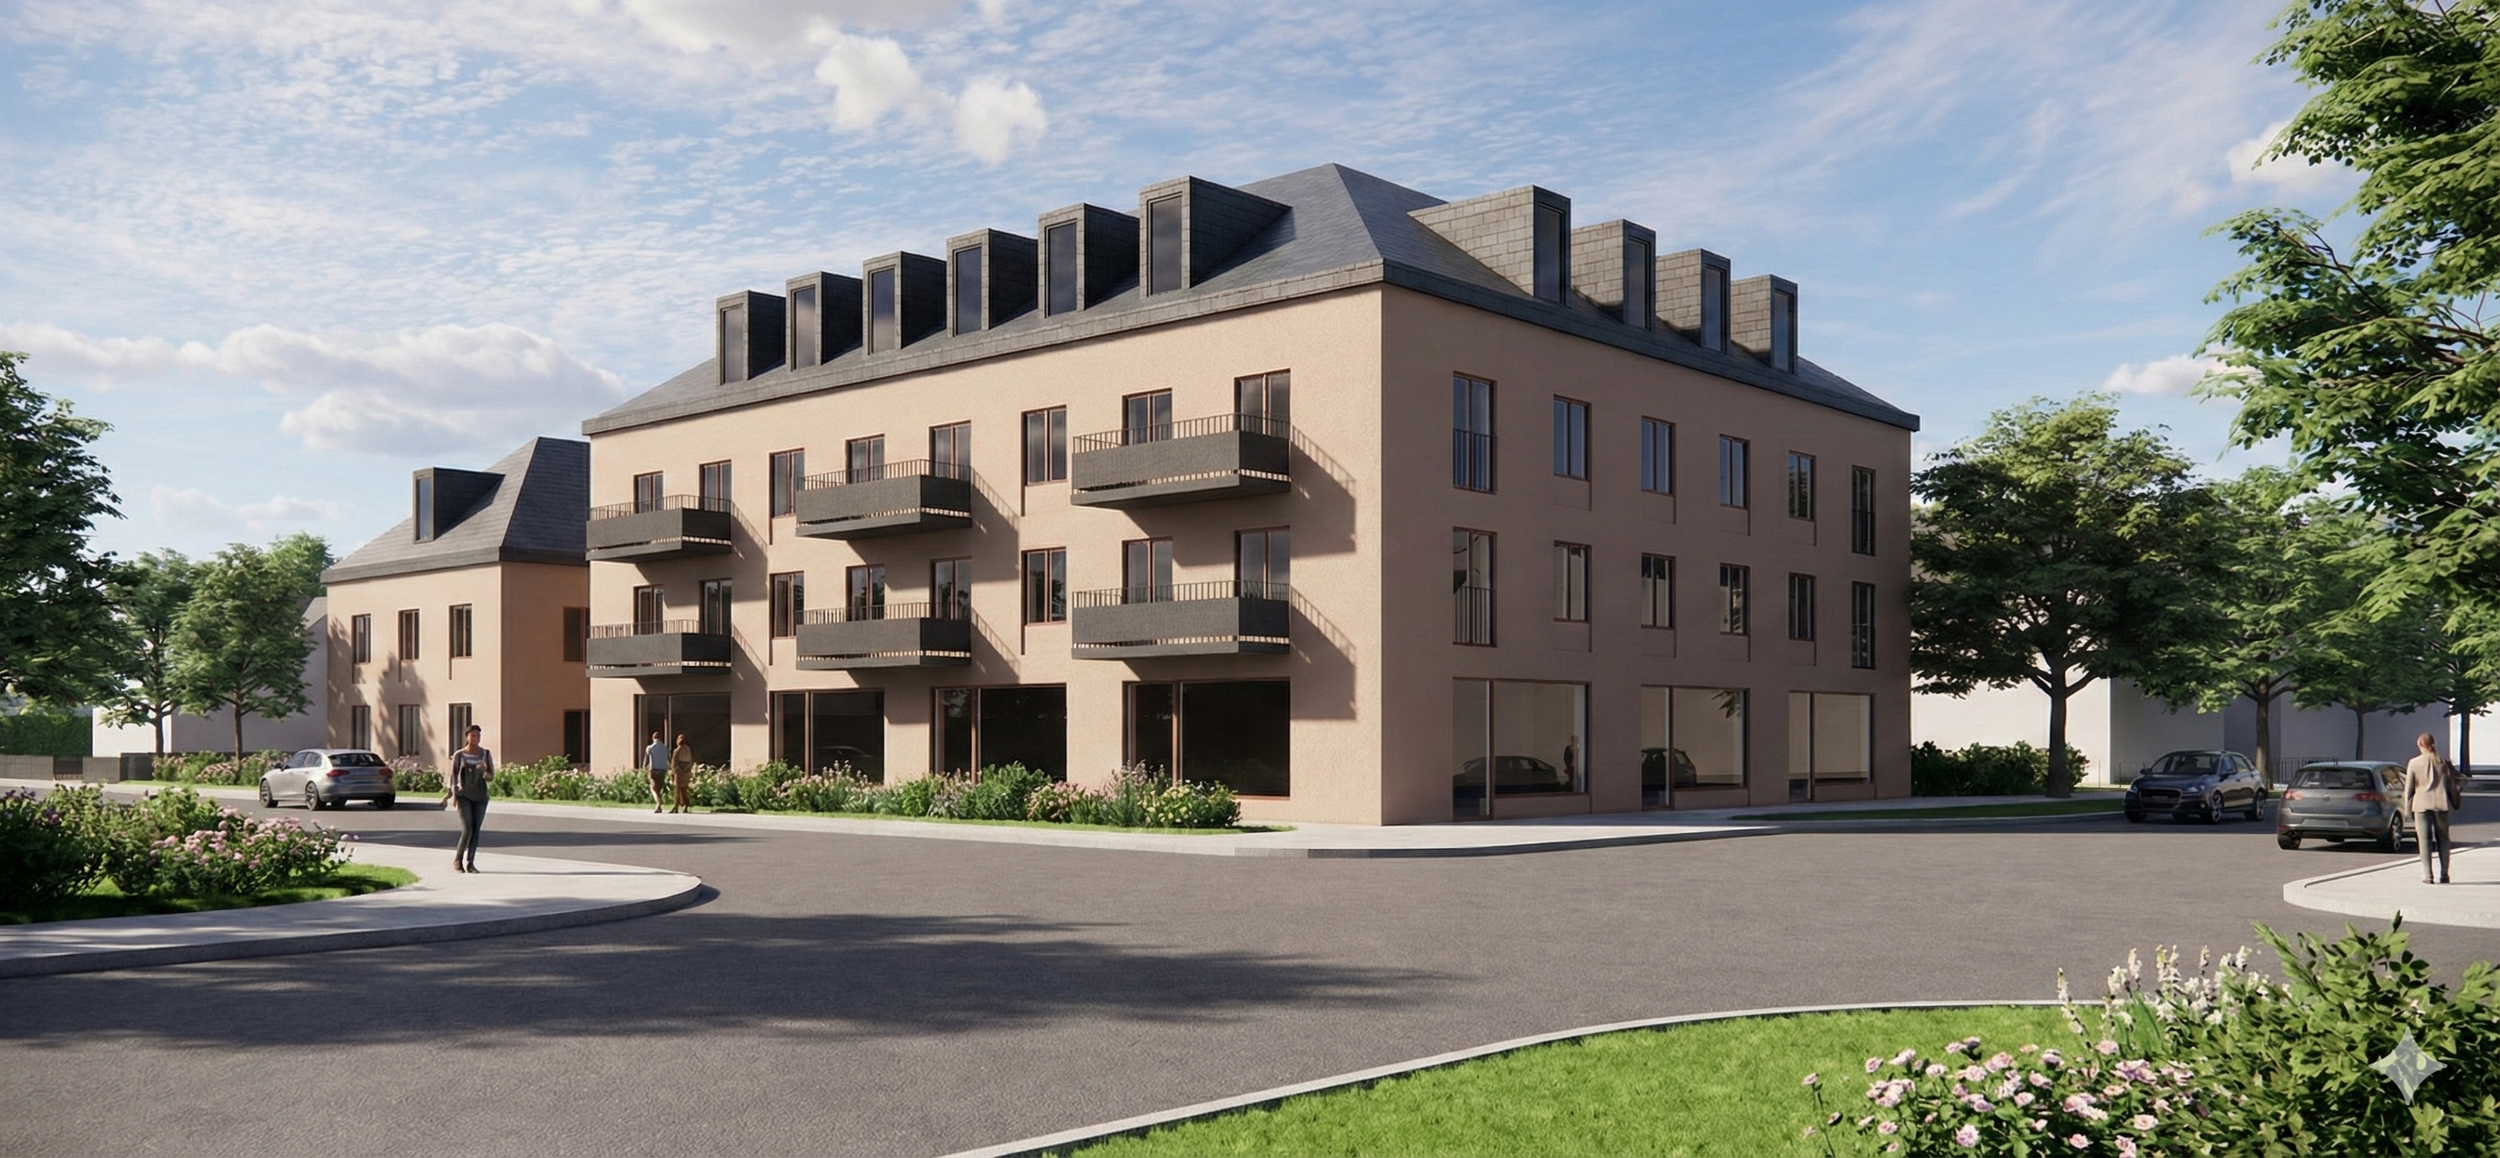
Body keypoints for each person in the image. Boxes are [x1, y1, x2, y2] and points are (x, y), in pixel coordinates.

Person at [2405, 732, 2463, 885]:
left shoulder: (2414, 763)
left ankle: (2428, 875)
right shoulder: (2443, 762)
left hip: (2421, 805)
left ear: (2420, 745)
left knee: (2424, 841)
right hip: (2442, 804)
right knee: (2443, 840)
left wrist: (2406, 809)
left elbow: (2409, 789)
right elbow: (2455, 782)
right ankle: (2444, 874)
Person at [442, 724, 493, 874]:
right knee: (467, 829)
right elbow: (453, 776)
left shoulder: (485, 754)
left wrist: (484, 771)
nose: (476, 738)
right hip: (464, 796)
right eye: (473, 735)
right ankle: (457, 860)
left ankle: (470, 862)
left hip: (481, 796)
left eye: (478, 735)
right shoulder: (460, 755)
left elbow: (491, 777)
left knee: (476, 830)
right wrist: (451, 795)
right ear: (467, 737)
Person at [644, 731, 670, 813]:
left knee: (653, 787)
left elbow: (647, 758)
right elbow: (669, 758)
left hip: (654, 769)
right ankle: (659, 805)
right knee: (659, 787)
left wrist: (644, 767)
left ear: (653, 738)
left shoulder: (650, 747)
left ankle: (658, 802)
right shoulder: (665, 748)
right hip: (663, 769)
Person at [670, 733, 695, 813]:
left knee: (677, 790)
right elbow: (690, 761)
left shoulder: (676, 751)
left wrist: (673, 773)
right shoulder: (688, 749)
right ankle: (686, 805)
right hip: (686, 771)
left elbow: (674, 763)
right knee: (684, 789)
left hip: (678, 772)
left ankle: (676, 806)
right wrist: (688, 769)